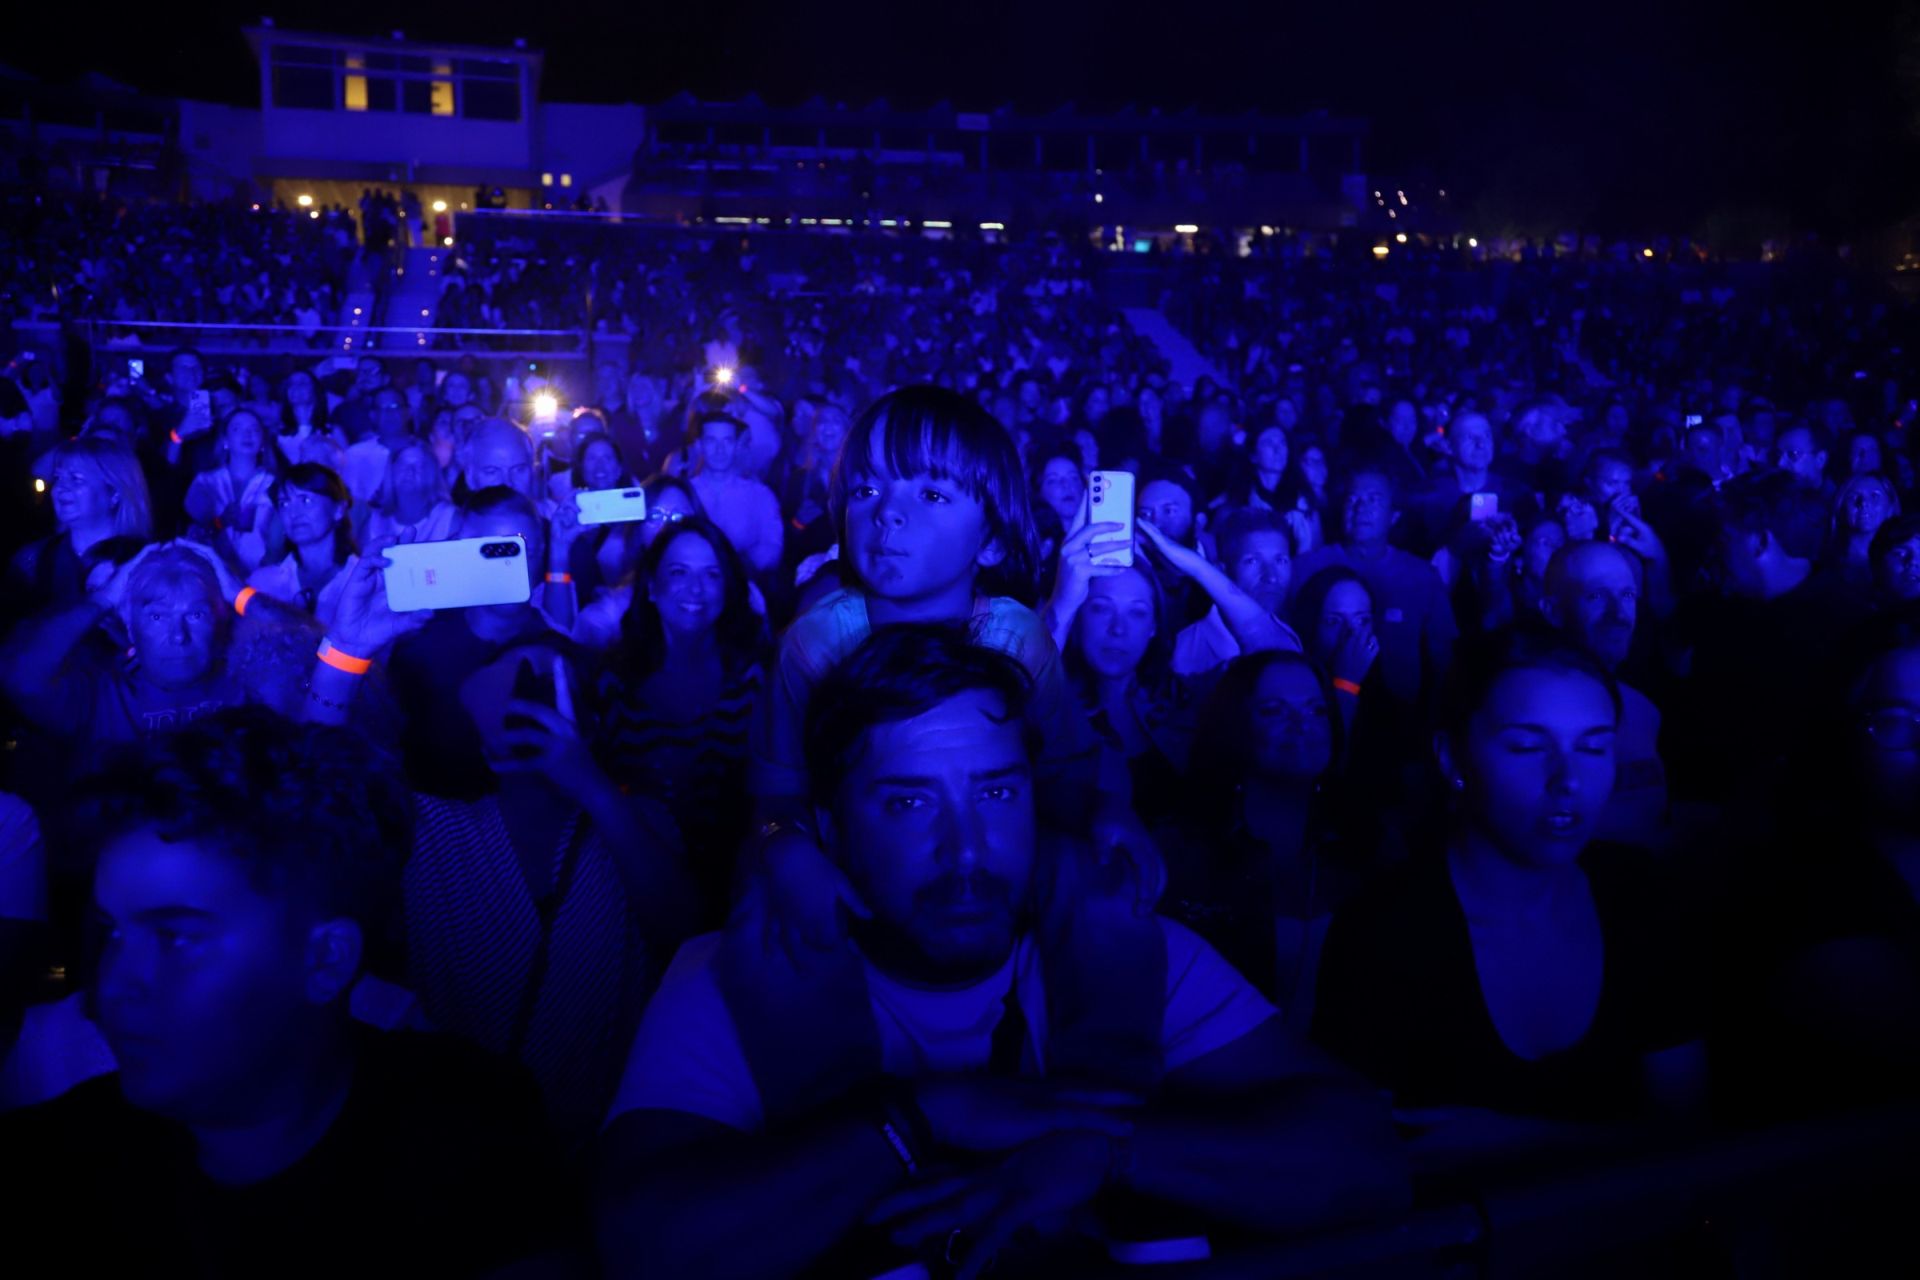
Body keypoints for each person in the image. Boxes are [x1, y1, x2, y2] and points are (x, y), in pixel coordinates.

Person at [596, 626, 1408, 1279]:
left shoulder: (1132, 943)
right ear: (833, 830)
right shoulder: (731, 975)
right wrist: (921, 1117)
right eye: (910, 802)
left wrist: (1111, 1154)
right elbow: (642, 1246)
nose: (967, 849)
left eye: (996, 792)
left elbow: (1364, 1159)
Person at [0, 710, 578, 1274]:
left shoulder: (469, 1138)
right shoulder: (58, 1165)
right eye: (114, 932)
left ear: (326, 959)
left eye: (176, 938)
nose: (114, 983)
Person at [1314, 627, 1708, 1180]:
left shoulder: (1637, 895)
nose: (1568, 781)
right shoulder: (1384, 932)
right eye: (1527, 746)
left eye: (1595, 747)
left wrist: (1527, 1143)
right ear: (1453, 758)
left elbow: (1692, 1137)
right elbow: (1354, 1167)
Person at [593, 515, 767, 918]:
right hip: (629, 890)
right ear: (652, 587)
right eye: (678, 571)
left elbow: (770, 800)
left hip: (736, 890)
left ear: (729, 588)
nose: (695, 589)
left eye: (712, 574)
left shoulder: (753, 678)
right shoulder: (613, 681)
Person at [1, 542, 249, 750]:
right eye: (157, 617)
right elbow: (19, 676)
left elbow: (288, 674)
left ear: (218, 620)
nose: (178, 636)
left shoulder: (247, 685)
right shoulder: (100, 695)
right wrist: (102, 599)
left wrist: (241, 594)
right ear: (130, 627)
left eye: (195, 615)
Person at [1292, 467, 1457, 709]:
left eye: (1374, 500)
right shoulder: (1306, 568)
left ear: (1394, 516)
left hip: (1400, 723)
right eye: (1353, 499)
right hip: (1321, 713)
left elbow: (1443, 654)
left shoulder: (1421, 575)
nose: (1361, 508)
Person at [1538, 541, 1668, 846]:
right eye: (1596, 596)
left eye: (1627, 595)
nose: (1618, 614)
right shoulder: (1530, 718)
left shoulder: (1644, 711)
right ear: (1553, 611)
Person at [1155, 507, 1304, 677]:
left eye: (1281, 561)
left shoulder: (1297, 634)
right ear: (1222, 570)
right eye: (1252, 561)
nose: (1271, 577)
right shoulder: (1184, 651)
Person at [11, 438, 153, 609]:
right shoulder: (32, 560)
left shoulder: (145, 562)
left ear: (114, 493)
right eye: (57, 477)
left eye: (76, 479)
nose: (60, 488)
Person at [247, 464, 359, 629]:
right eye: (284, 504)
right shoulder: (263, 583)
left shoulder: (364, 580)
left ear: (338, 509)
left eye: (306, 500)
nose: (294, 513)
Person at [688, 409, 783, 576]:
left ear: (736, 445)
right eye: (711, 441)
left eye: (727, 441)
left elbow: (773, 546)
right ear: (700, 445)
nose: (720, 450)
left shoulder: (760, 495)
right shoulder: (683, 493)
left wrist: (739, 569)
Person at [182, 408, 277, 573]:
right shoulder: (205, 482)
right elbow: (194, 533)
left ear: (263, 442)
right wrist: (221, 521)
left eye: (254, 429)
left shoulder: (274, 483)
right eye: (237, 429)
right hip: (213, 575)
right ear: (225, 440)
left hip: (263, 576)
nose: (247, 434)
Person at [362, 438, 457, 548]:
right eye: (403, 464)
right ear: (391, 472)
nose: (410, 471)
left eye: (419, 466)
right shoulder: (373, 524)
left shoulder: (448, 519)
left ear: (431, 474)